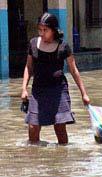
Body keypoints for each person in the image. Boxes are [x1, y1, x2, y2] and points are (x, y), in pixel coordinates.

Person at [21, 12, 90, 145]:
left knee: (59, 126)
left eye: (45, 30)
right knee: (33, 127)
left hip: (58, 90)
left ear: (53, 30)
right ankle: (34, 159)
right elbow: (28, 67)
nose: (41, 33)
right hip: (38, 90)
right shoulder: (33, 44)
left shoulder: (63, 46)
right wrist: (24, 88)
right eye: (39, 29)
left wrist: (84, 94)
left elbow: (73, 70)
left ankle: (63, 157)